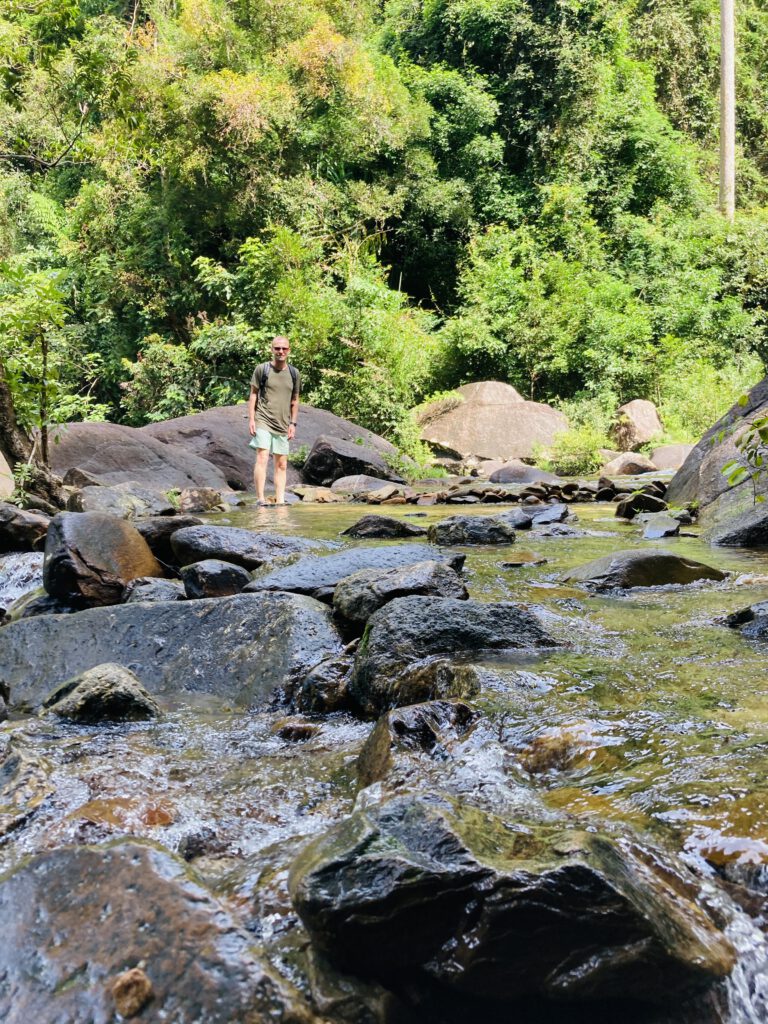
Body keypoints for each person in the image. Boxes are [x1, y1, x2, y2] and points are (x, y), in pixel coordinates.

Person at [247, 335, 300, 506]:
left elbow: (295, 400)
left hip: (283, 423)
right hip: (263, 418)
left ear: (289, 350)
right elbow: (253, 394)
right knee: (262, 456)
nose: (280, 351)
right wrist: (252, 419)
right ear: (272, 350)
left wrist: (293, 423)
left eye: (284, 348)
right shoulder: (262, 369)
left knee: (282, 463)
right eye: (277, 348)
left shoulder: (294, 373)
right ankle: (261, 498)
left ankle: (281, 500)